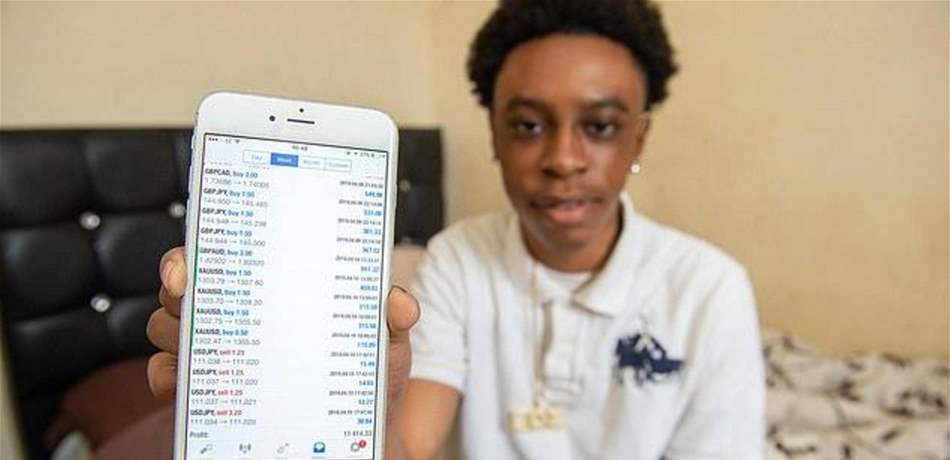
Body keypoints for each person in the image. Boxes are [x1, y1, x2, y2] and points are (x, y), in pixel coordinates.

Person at [147, 0, 765, 458]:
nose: (563, 159)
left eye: (600, 127)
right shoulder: (458, 260)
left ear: (639, 139)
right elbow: (411, 448)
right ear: (494, 135)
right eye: (528, 126)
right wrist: (366, 410)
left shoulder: (709, 287)